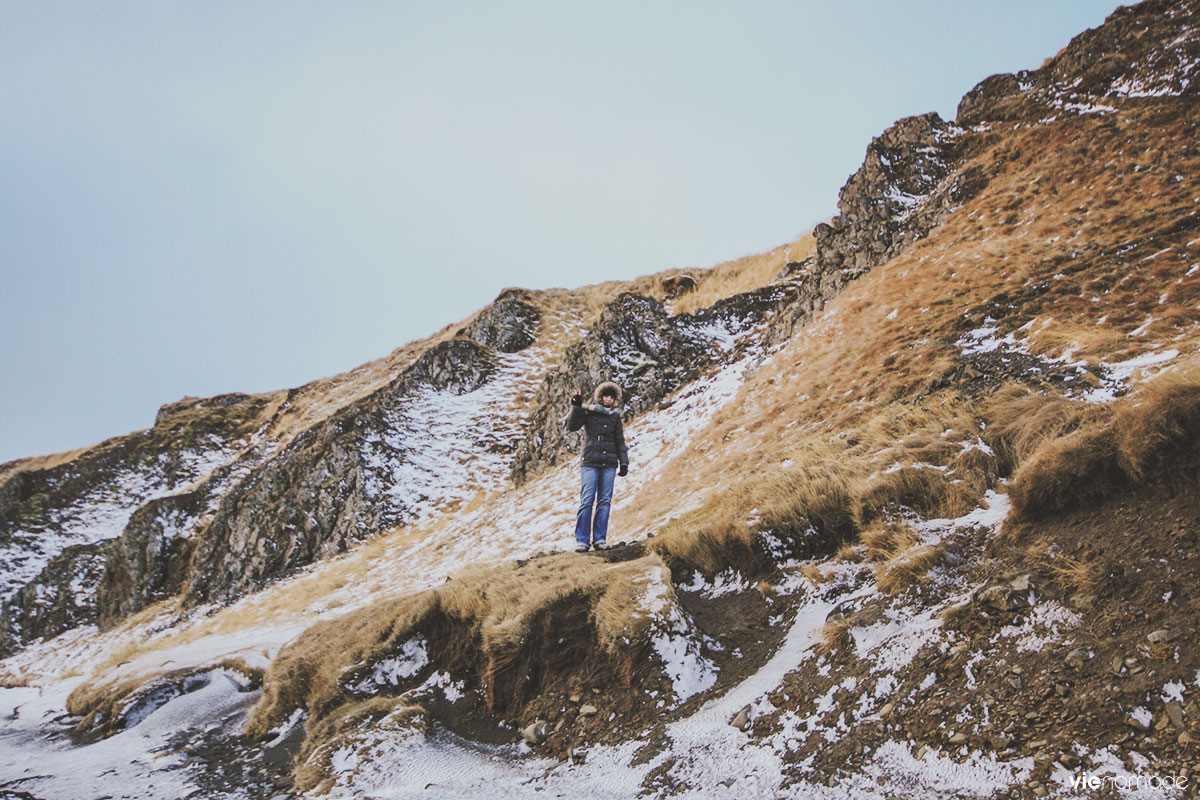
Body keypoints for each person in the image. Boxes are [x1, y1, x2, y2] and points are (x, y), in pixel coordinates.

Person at [565, 381, 629, 552]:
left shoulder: (615, 416)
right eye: (606, 396)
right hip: (590, 462)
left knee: (604, 502)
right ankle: (582, 540)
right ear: (600, 397)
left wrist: (624, 462)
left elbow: (619, 440)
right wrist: (576, 406)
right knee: (586, 501)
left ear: (615, 399)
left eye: (611, 397)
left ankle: (600, 539)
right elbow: (572, 426)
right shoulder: (588, 412)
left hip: (609, 463)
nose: (608, 399)